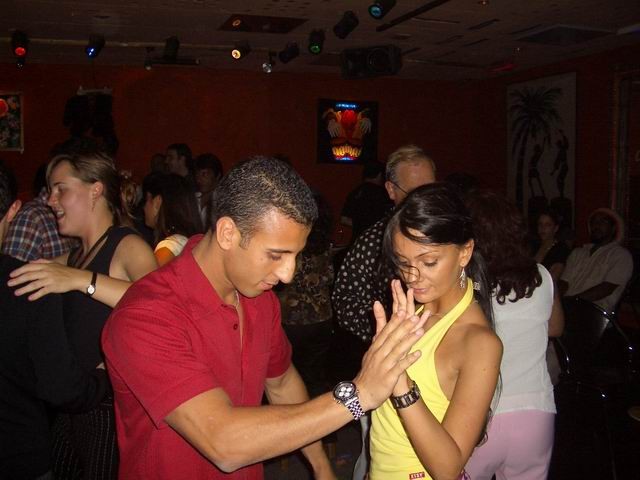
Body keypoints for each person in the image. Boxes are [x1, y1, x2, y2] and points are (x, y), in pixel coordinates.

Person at [101, 156, 428, 479]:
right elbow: (224, 444)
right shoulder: (145, 316)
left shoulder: (259, 299)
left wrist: (321, 467)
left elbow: (282, 383)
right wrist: (358, 396)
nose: (287, 274)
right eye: (276, 255)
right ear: (227, 233)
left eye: (295, 255)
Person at [8, 151, 157, 479]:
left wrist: (82, 281)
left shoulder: (127, 245)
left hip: (110, 408)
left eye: (60, 189)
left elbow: (160, 306)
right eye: (50, 191)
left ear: (95, 190)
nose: (50, 200)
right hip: (72, 402)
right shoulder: (73, 257)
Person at [369, 182, 503, 480]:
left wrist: (401, 384)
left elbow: (448, 468)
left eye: (428, 262)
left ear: (465, 252)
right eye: (402, 262)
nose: (412, 276)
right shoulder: (415, 311)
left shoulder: (479, 342)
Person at [0, 161, 110, 480]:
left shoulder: (120, 244)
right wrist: (103, 376)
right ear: (13, 210)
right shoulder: (29, 284)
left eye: (60, 189)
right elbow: (63, 389)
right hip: (18, 455)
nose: (50, 200)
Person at [332, 144, 436, 480]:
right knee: (379, 453)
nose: (425, 200)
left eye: (431, 189)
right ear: (391, 190)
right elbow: (344, 299)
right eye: (414, 191)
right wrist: (385, 337)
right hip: (390, 371)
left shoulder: (448, 237)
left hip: (440, 367)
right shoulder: (375, 241)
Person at [464, 190, 564, 480]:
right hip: (535, 411)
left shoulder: (466, 283)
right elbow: (556, 327)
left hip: (478, 409)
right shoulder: (541, 275)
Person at [559, 207, 633, 313]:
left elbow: (606, 288)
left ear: (613, 228)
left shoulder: (620, 255)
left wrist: (573, 302)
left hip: (594, 312)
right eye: (594, 222)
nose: (597, 225)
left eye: (603, 222)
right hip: (566, 308)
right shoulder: (578, 252)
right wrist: (556, 300)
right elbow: (564, 281)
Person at [143, 172, 202, 266]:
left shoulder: (167, 248)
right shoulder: (189, 241)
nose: (144, 207)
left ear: (157, 203)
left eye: (146, 200)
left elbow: (154, 276)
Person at [340, 161, 392, 243]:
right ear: (380, 175)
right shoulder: (384, 194)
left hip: (357, 241)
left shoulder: (355, 193)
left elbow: (344, 219)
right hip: (377, 241)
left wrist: (359, 225)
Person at [532, 209, 570, 282]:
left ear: (555, 228)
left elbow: (553, 277)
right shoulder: (533, 245)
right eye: (540, 224)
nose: (543, 228)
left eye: (547, 225)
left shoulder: (561, 249)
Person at [194, 153, 224, 231]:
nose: (199, 179)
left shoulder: (222, 201)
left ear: (217, 175)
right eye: (197, 175)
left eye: (204, 174)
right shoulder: (192, 199)